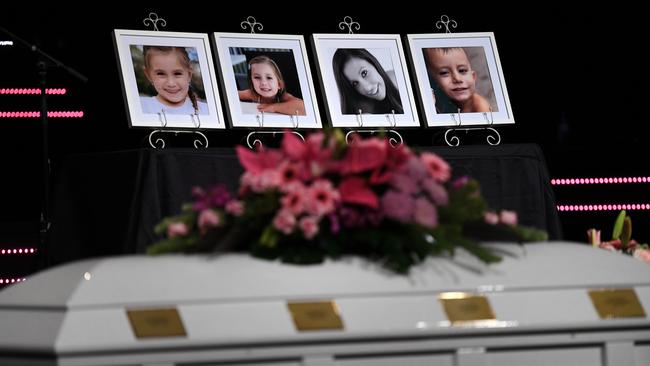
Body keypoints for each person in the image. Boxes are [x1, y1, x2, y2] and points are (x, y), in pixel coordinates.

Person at [332, 48, 403, 115]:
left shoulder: (397, 78)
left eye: (364, 73)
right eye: (355, 83)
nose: (367, 88)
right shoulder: (363, 112)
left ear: (373, 63)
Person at [140, 46, 208, 115]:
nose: (171, 83)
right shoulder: (140, 107)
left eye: (177, 73)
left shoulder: (206, 111)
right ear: (149, 75)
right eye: (160, 73)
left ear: (189, 75)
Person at [424, 47, 491, 113]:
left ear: (473, 77)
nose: (457, 78)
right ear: (433, 82)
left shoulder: (480, 107)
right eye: (444, 72)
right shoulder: (435, 102)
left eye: (462, 70)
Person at [238, 55, 305, 116]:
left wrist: (273, 107)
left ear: (279, 84)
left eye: (269, 78)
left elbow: (303, 108)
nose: (263, 83)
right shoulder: (253, 95)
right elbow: (231, 96)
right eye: (257, 77)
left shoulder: (283, 97)